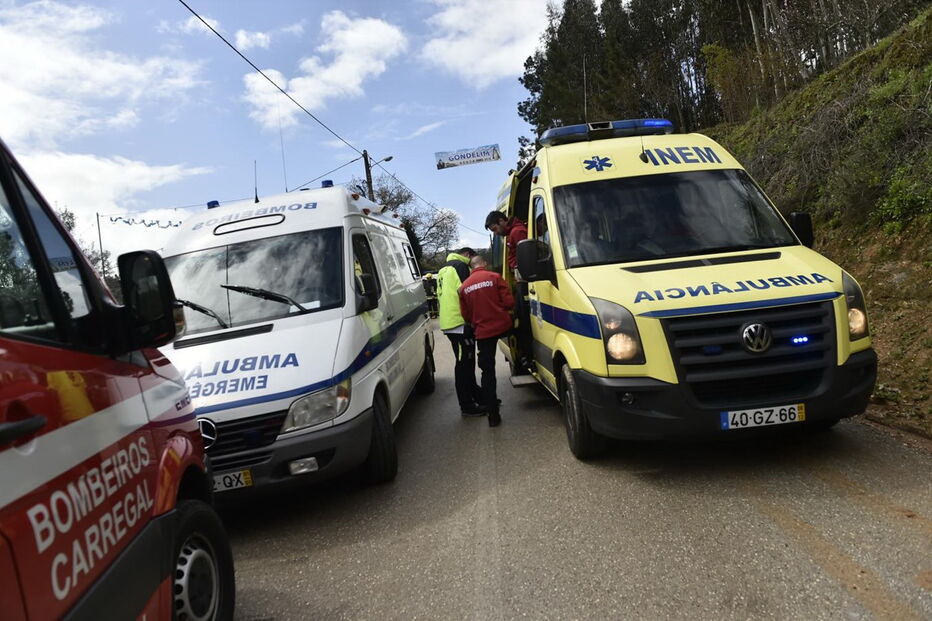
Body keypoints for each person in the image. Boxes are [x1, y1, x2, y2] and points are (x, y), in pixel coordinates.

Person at [458, 255, 514, 427]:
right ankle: (525, 361)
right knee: (523, 333)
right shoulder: (495, 277)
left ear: (471, 267)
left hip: (483, 333)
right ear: (484, 264)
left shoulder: (463, 287)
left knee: (487, 373)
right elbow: (509, 302)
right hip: (503, 326)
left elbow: (466, 315)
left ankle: (493, 415)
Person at [436, 247, 486, 416]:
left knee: (467, 362)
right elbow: (469, 292)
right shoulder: (461, 266)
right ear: (467, 255)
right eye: (472, 259)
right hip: (459, 323)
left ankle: (477, 396)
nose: (473, 264)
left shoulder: (445, 268)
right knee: (463, 365)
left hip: (451, 322)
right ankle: (467, 405)